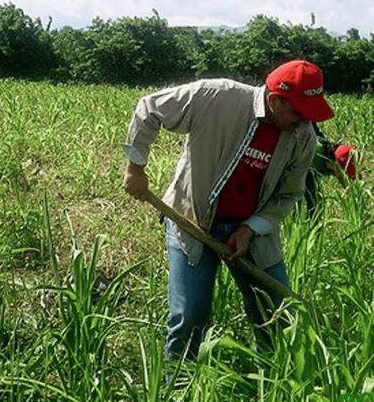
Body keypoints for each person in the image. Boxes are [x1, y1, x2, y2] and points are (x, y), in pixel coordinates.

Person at [122, 59, 334, 365]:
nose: (304, 123)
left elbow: (289, 194)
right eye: (298, 113)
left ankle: (269, 383)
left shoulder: (303, 137)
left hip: (253, 230)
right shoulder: (216, 97)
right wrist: (135, 168)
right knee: (190, 316)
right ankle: (177, 393)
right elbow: (149, 108)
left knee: (273, 310)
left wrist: (250, 229)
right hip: (192, 219)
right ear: (275, 100)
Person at [305, 124, 357, 217]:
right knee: (314, 205)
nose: (341, 176)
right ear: (334, 164)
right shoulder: (313, 157)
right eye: (343, 173)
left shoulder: (327, 156)